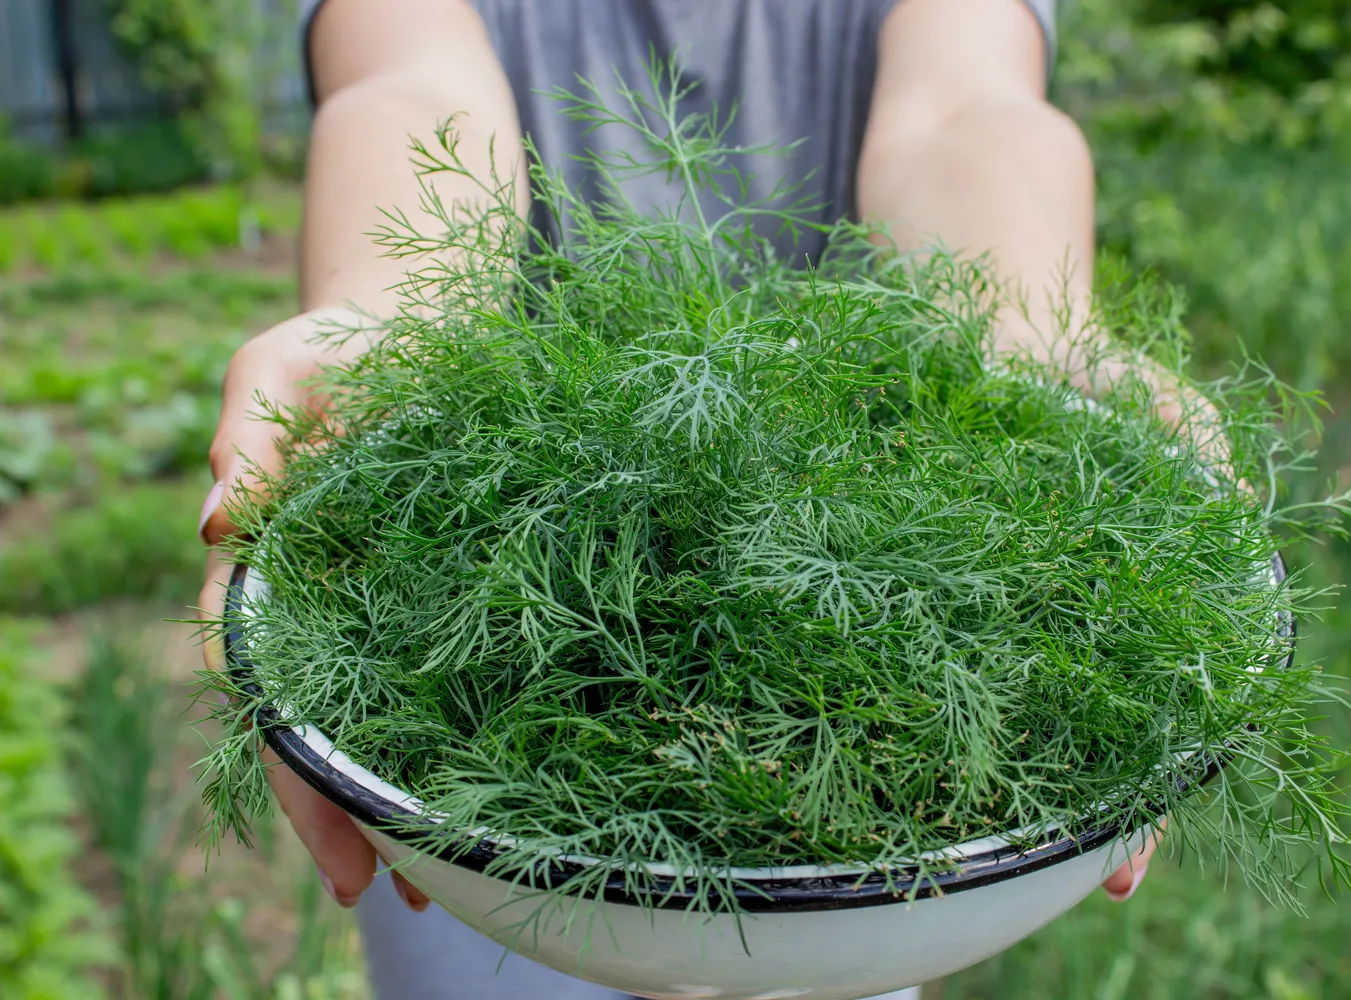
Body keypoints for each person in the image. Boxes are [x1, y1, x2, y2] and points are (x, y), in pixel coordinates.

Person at [197, 1, 1160, 997]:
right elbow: (409, 86)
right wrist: (390, 323)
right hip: (479, 684)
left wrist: (1021, 333)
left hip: (872, 701)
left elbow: (963, 107)